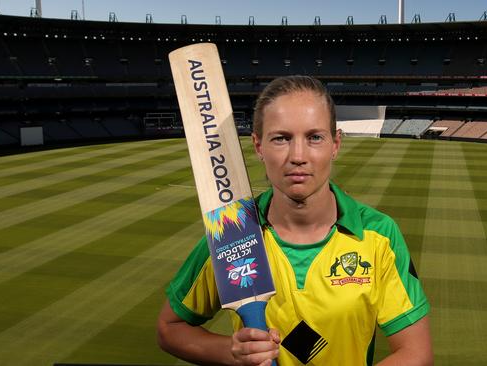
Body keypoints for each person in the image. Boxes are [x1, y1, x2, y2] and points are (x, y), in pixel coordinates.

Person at [157, 75, 433, 365]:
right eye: (281, 138)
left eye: (314, 137)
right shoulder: (232, 231)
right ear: (258, 146)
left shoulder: (379, 234)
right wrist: (233, 352)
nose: (298, 156)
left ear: (335, 144)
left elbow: (416, 353)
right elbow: (169, 328)